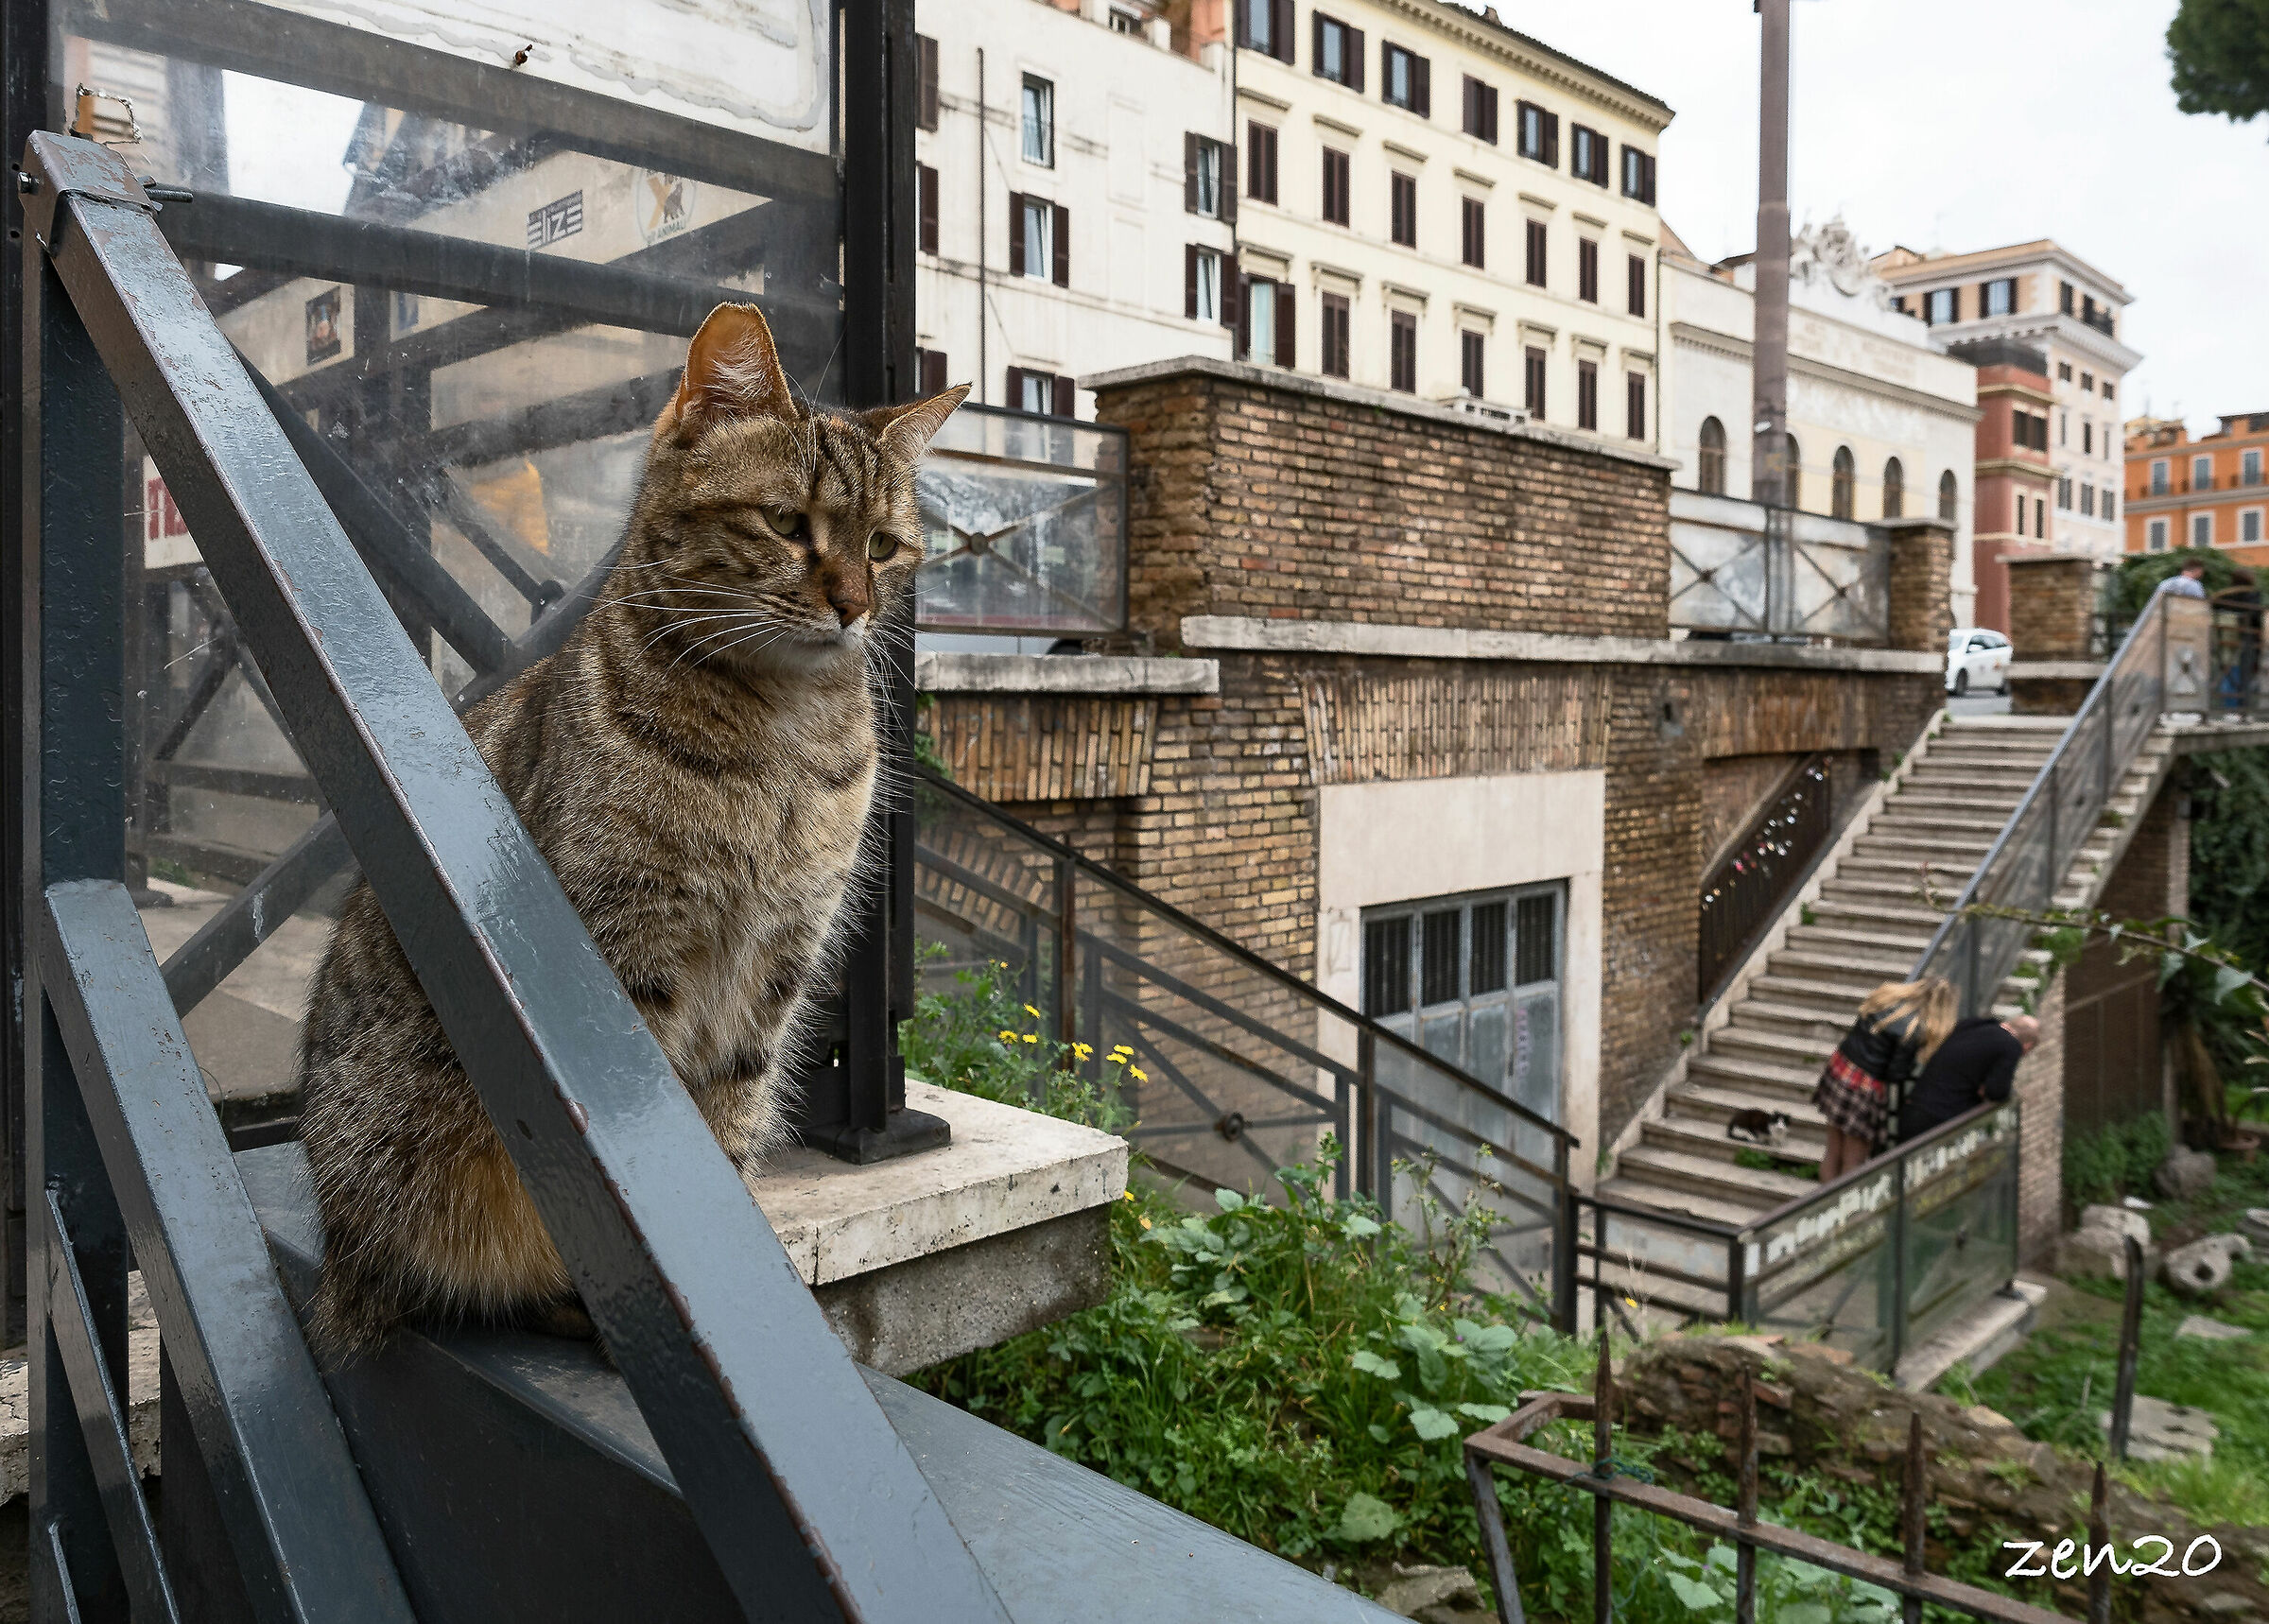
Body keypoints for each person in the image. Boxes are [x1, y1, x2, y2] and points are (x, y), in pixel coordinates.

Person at [1811, 977, 1956, 1183]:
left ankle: (1825, 1205)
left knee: (1833, 1150)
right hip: (1863, 1087)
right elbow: (1895, 1073)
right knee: (1854, 1160)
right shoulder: (1913, 1029)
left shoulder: (1884, 999)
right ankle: (1844, 1209)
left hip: (1841, 1069)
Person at [1898, 1014, 2037, 1142]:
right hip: (1942, 1120)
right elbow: (1997, 1091)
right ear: (2027, 1046)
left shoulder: (1972, 1024)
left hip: (1914, 1106)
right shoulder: (2011, 1045)